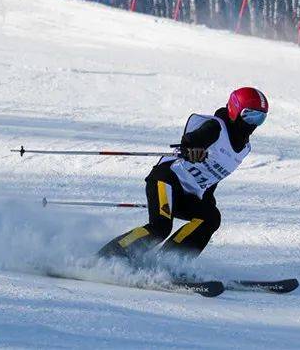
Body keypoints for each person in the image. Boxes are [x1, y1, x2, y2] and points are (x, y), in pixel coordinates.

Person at [98, 87, 269, 261]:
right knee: (160, 227)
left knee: (210, 218)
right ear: (235, 109)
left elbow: (212, 177)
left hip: (187, 195)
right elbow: (192, 139)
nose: (253, 123)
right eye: (249, 115)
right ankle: (107, 257)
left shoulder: (243, 149)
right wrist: (193, 148)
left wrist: (207, 202)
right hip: (166, 180)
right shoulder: (214, 127)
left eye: (260, 118)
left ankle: (169, 262)